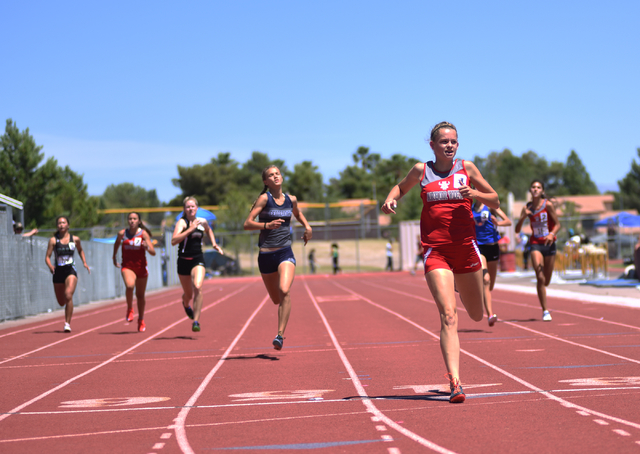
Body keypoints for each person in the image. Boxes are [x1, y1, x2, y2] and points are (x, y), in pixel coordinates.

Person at [381, 121, 499, 403]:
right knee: (448, 315)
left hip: (466, 250)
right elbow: (400, 187)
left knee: (475, 314)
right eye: (444, 141)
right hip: (436, 251)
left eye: (453, 141)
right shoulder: (421, 171)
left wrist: (476, 195)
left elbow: (494, 199)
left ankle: (462, 284)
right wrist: (389, 199)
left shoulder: (467, 168)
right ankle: (455, 383)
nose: (449, 145)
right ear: (432, 145)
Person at [243, 165, 312, 350]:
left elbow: (297, 213)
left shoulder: (291, 199)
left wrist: (308, 227)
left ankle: (280, 335)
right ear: (266, 182)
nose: (275, 177)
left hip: (284, 252)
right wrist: (266, 225)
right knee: (276, 299)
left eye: (277, 174)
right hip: (266, 256)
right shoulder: (264, 199)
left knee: (285, 290)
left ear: (281, 177)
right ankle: (280, 328)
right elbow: (247, 224)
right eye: (271, 175)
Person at [171, 197, 224, 332]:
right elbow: (173, 240)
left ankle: (196, 320)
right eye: (188, 207)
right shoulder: (182, 223)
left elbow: (209, 230)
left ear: (197, 208)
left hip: (197, 259)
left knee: (198, 286)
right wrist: (190, 229)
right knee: (188, 294)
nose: (190, 209)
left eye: (193, 206)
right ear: (184, 209)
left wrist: (214, 244)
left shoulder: (202, 222)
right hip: (183, 261)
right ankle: (185, 303)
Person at [515, 180, 561, 322]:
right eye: (533, 187)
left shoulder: (548, 205)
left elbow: (558, 224)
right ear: (530, 190)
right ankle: (545, 310)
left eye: (538, 187)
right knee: (540, 277)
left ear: (542, 191)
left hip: (549, 244)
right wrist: (523, 216)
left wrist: (551, 234)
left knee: (546, 280)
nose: (535, 189)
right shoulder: (527, 207)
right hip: (535, 243)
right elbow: (517, 230)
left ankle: (545, 303)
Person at [44, 216, 90, 332]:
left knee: (68, 294)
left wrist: (84, 262)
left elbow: (80, 250)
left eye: (64, 223)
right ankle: (67, 306)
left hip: (70, 270)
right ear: (57, 226)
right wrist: (50, 266)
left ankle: (67, 323)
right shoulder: (53, 241)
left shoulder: (75, 239)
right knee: (61, 302)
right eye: (59, 223)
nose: (61, 225)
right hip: (58, 271)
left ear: (68, 225)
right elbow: (47, 257)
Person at [112, 212, 156, 332]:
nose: (132, 221)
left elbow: (153, 252)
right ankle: (130, 308)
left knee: (140, 296)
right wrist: (114, 256)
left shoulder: (143, 234)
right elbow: (116, 244)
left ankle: (141, 319)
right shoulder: (122, 233)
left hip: (141, 268)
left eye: (134, 219)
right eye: (130, 219)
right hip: (127, 266)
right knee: (130, 286)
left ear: (139, 221)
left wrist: (147, 247)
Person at [472, 200, 512, 327]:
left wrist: (498, 222)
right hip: (479, 247)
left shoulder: (490, 207)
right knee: (486, 279)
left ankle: (483, 294)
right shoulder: (470, 208)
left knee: (490, 285)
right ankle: (490, 315)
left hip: (493, 246)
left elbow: (508, 221)